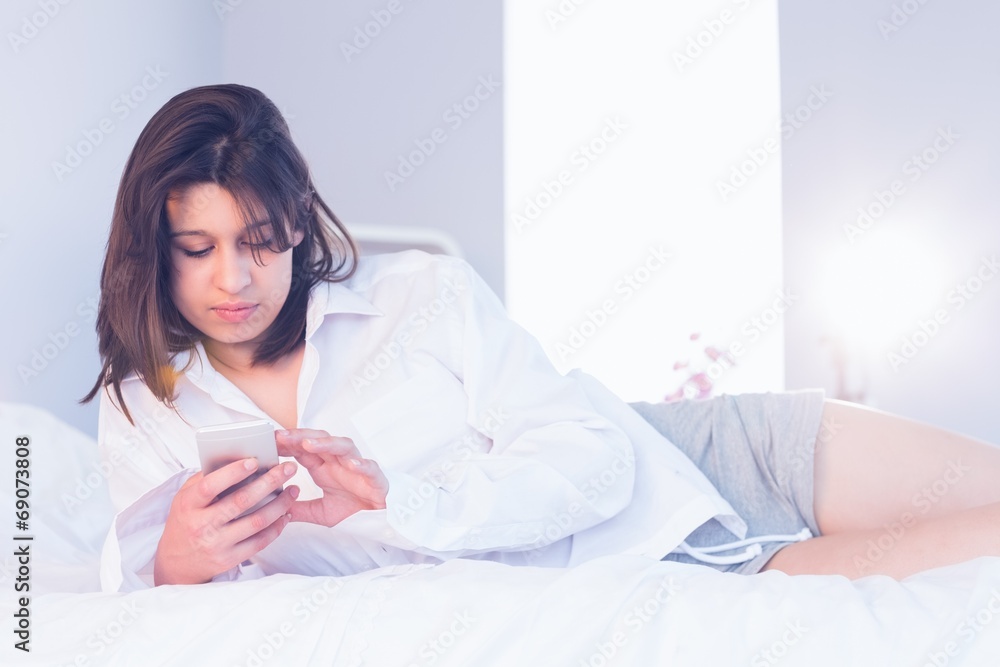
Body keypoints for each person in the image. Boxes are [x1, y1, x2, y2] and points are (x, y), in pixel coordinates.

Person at [83, 84, 1000, 592]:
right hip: (664, 564)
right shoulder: (142, 407)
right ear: (153, 249)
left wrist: (407, 502)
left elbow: (594, 451)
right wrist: (177, 562)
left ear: (298, 224)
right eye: (196, 249)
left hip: (712, 452)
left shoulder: (417, 292)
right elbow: (140, 592)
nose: (232, 280)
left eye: (259, 242)